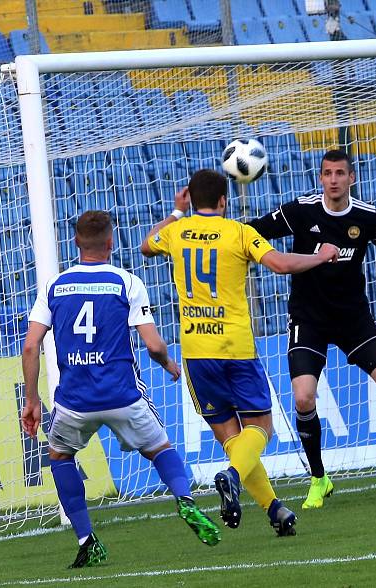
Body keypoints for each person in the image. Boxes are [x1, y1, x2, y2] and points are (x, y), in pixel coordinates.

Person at [249, 149, 376, 509]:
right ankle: (318, 478)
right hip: (308, 318)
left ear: (351, 178)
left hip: (353, 318)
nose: (333, 180)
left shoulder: (367, 217)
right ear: (321, 178)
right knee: (303, 397)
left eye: (340, 173)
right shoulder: (301, 211)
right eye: (327, 173)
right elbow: (252, 232)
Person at [141, 169, 339, 536]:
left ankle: (274, 508)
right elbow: (280, 264)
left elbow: (146, 244)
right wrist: (320, 256)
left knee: (231, 438)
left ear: (191, 198)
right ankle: (232, 476)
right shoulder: (239, 231)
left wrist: (176, 212)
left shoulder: (176, 232)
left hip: (197, 352)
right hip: (236, 347)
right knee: (261, 427)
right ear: (223, 201)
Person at [21, 210, 220, 569]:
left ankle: (86, 539)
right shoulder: (127, 283)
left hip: (74, 400)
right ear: (111, 243)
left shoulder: (54, 286)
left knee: (61, 457)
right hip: (122, 395)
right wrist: (170, 366)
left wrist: (32, 400)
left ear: (76, 242)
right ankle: (186, 500)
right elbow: (154, 345)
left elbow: (31, 346)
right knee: (159, 448)